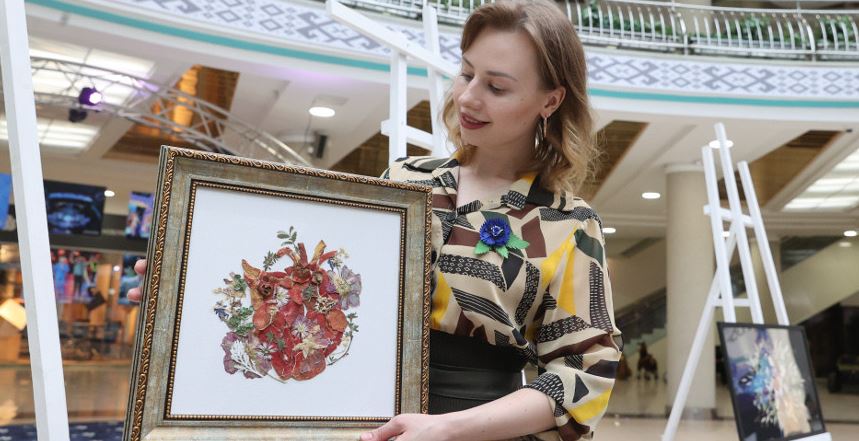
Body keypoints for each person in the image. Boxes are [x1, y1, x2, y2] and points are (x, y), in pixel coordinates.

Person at [129, 1, 622, 439]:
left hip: (477, 431)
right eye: (466, 73)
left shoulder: (568, 223)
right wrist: (184, 292)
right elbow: (322, 290)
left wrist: (449, 428)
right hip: (354, 417)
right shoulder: (405, 181)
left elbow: (584, 372)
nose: (469, 97)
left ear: (550, 100)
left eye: (496, 86)